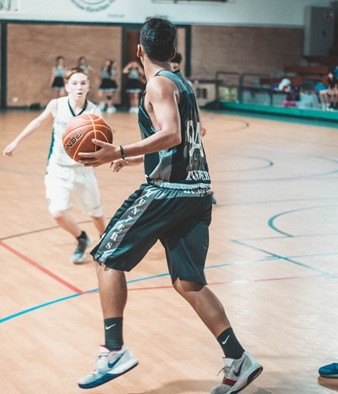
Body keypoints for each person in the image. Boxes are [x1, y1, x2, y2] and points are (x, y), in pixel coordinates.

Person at [77, 17, 262, 393]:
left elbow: (172, 134)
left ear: (139, 50)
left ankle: (114, 351)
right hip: (198, 192)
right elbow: (182, 142)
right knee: (188, 283)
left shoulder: (159, 84)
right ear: (174, 51)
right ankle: (238, 358)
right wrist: (129, 159)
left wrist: (122, 149)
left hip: (170, 192)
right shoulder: (181, 83)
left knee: (106, 258)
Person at [3, 67, 106, 264]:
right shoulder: (57, 105)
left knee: (96, 214)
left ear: (88, 87)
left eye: (83, 83)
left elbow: (100, 140)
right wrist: (16, 142)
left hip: (83, 169)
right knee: (58, 213)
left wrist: (107, 156)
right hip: (58, 169)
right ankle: (82, 238)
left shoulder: (94, 111)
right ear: (67, 86)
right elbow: (38, 122)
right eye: (74, 83)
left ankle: (105, 243)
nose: (79, 87)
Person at [171, 52, 217, 204]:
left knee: (195, 162)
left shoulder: (185, 83)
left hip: (187, 130)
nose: (174, 66)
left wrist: (201, 124)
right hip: (176, 129)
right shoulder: (165, 83)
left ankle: (205, 192)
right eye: (172, 63)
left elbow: (194, 105)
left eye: (176, 64)